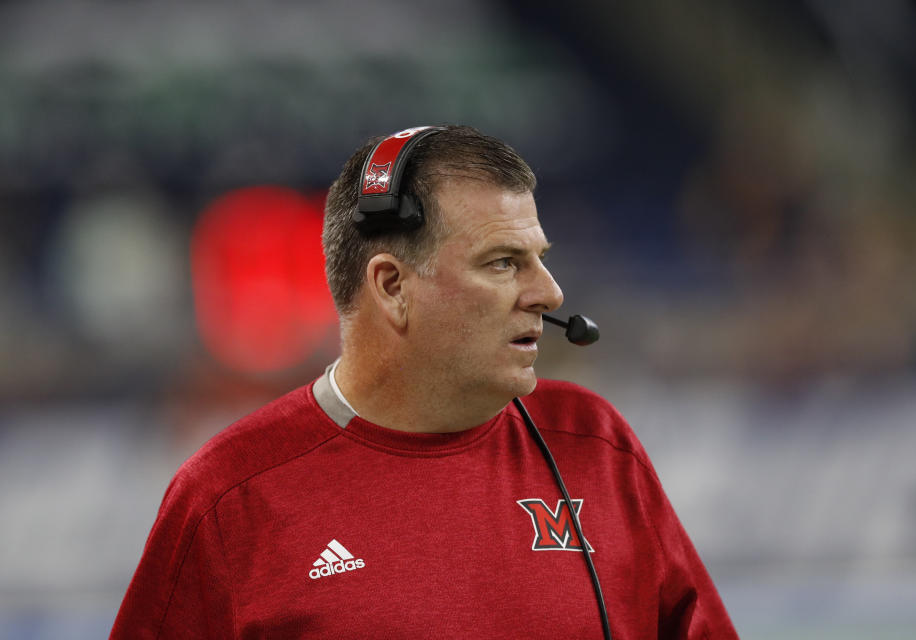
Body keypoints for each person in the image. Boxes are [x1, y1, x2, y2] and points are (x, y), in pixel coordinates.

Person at [111, 125, 738, 639]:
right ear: (392, 287)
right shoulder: (228, 498)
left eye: (539, 258)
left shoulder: (594, 444)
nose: (548, 294)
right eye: (502, 263)